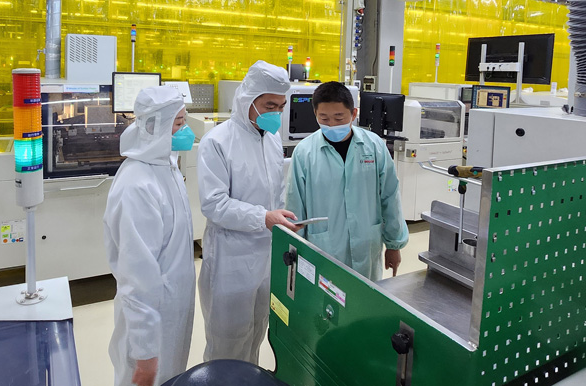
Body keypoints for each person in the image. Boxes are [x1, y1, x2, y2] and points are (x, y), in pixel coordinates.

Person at [197, 60, 302, 364]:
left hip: (266, 253)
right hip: (231, 257)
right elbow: (214, 204)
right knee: (227, 342)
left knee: (256, 332)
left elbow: (275, 193)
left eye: (281, 106)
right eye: (270, 105)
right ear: (248, 99)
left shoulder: (272, 140)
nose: (276, 113)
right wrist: (263, 218)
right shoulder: (217, 142)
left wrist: (281, 218)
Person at [104, 86, 198, 386]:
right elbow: (136, 277)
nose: (186, 130)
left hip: (172, 307)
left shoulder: (166, 166)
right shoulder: (137, 185)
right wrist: (145, 352)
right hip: (150, 319)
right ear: (153, 127)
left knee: (171, 376)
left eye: (184, 121)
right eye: (179, 123)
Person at [286, 81, 409, 282]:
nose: (332, 124)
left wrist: (394, 245)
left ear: (353, 114)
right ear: (315, 114)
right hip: (323, 248)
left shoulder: (374, 147)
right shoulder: (304, 153)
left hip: (366, 246)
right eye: (324, 118)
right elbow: (295, 207)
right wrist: (296, 252)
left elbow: (390, 196)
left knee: (365, 297)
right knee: (327, 299)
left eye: (339, 118)